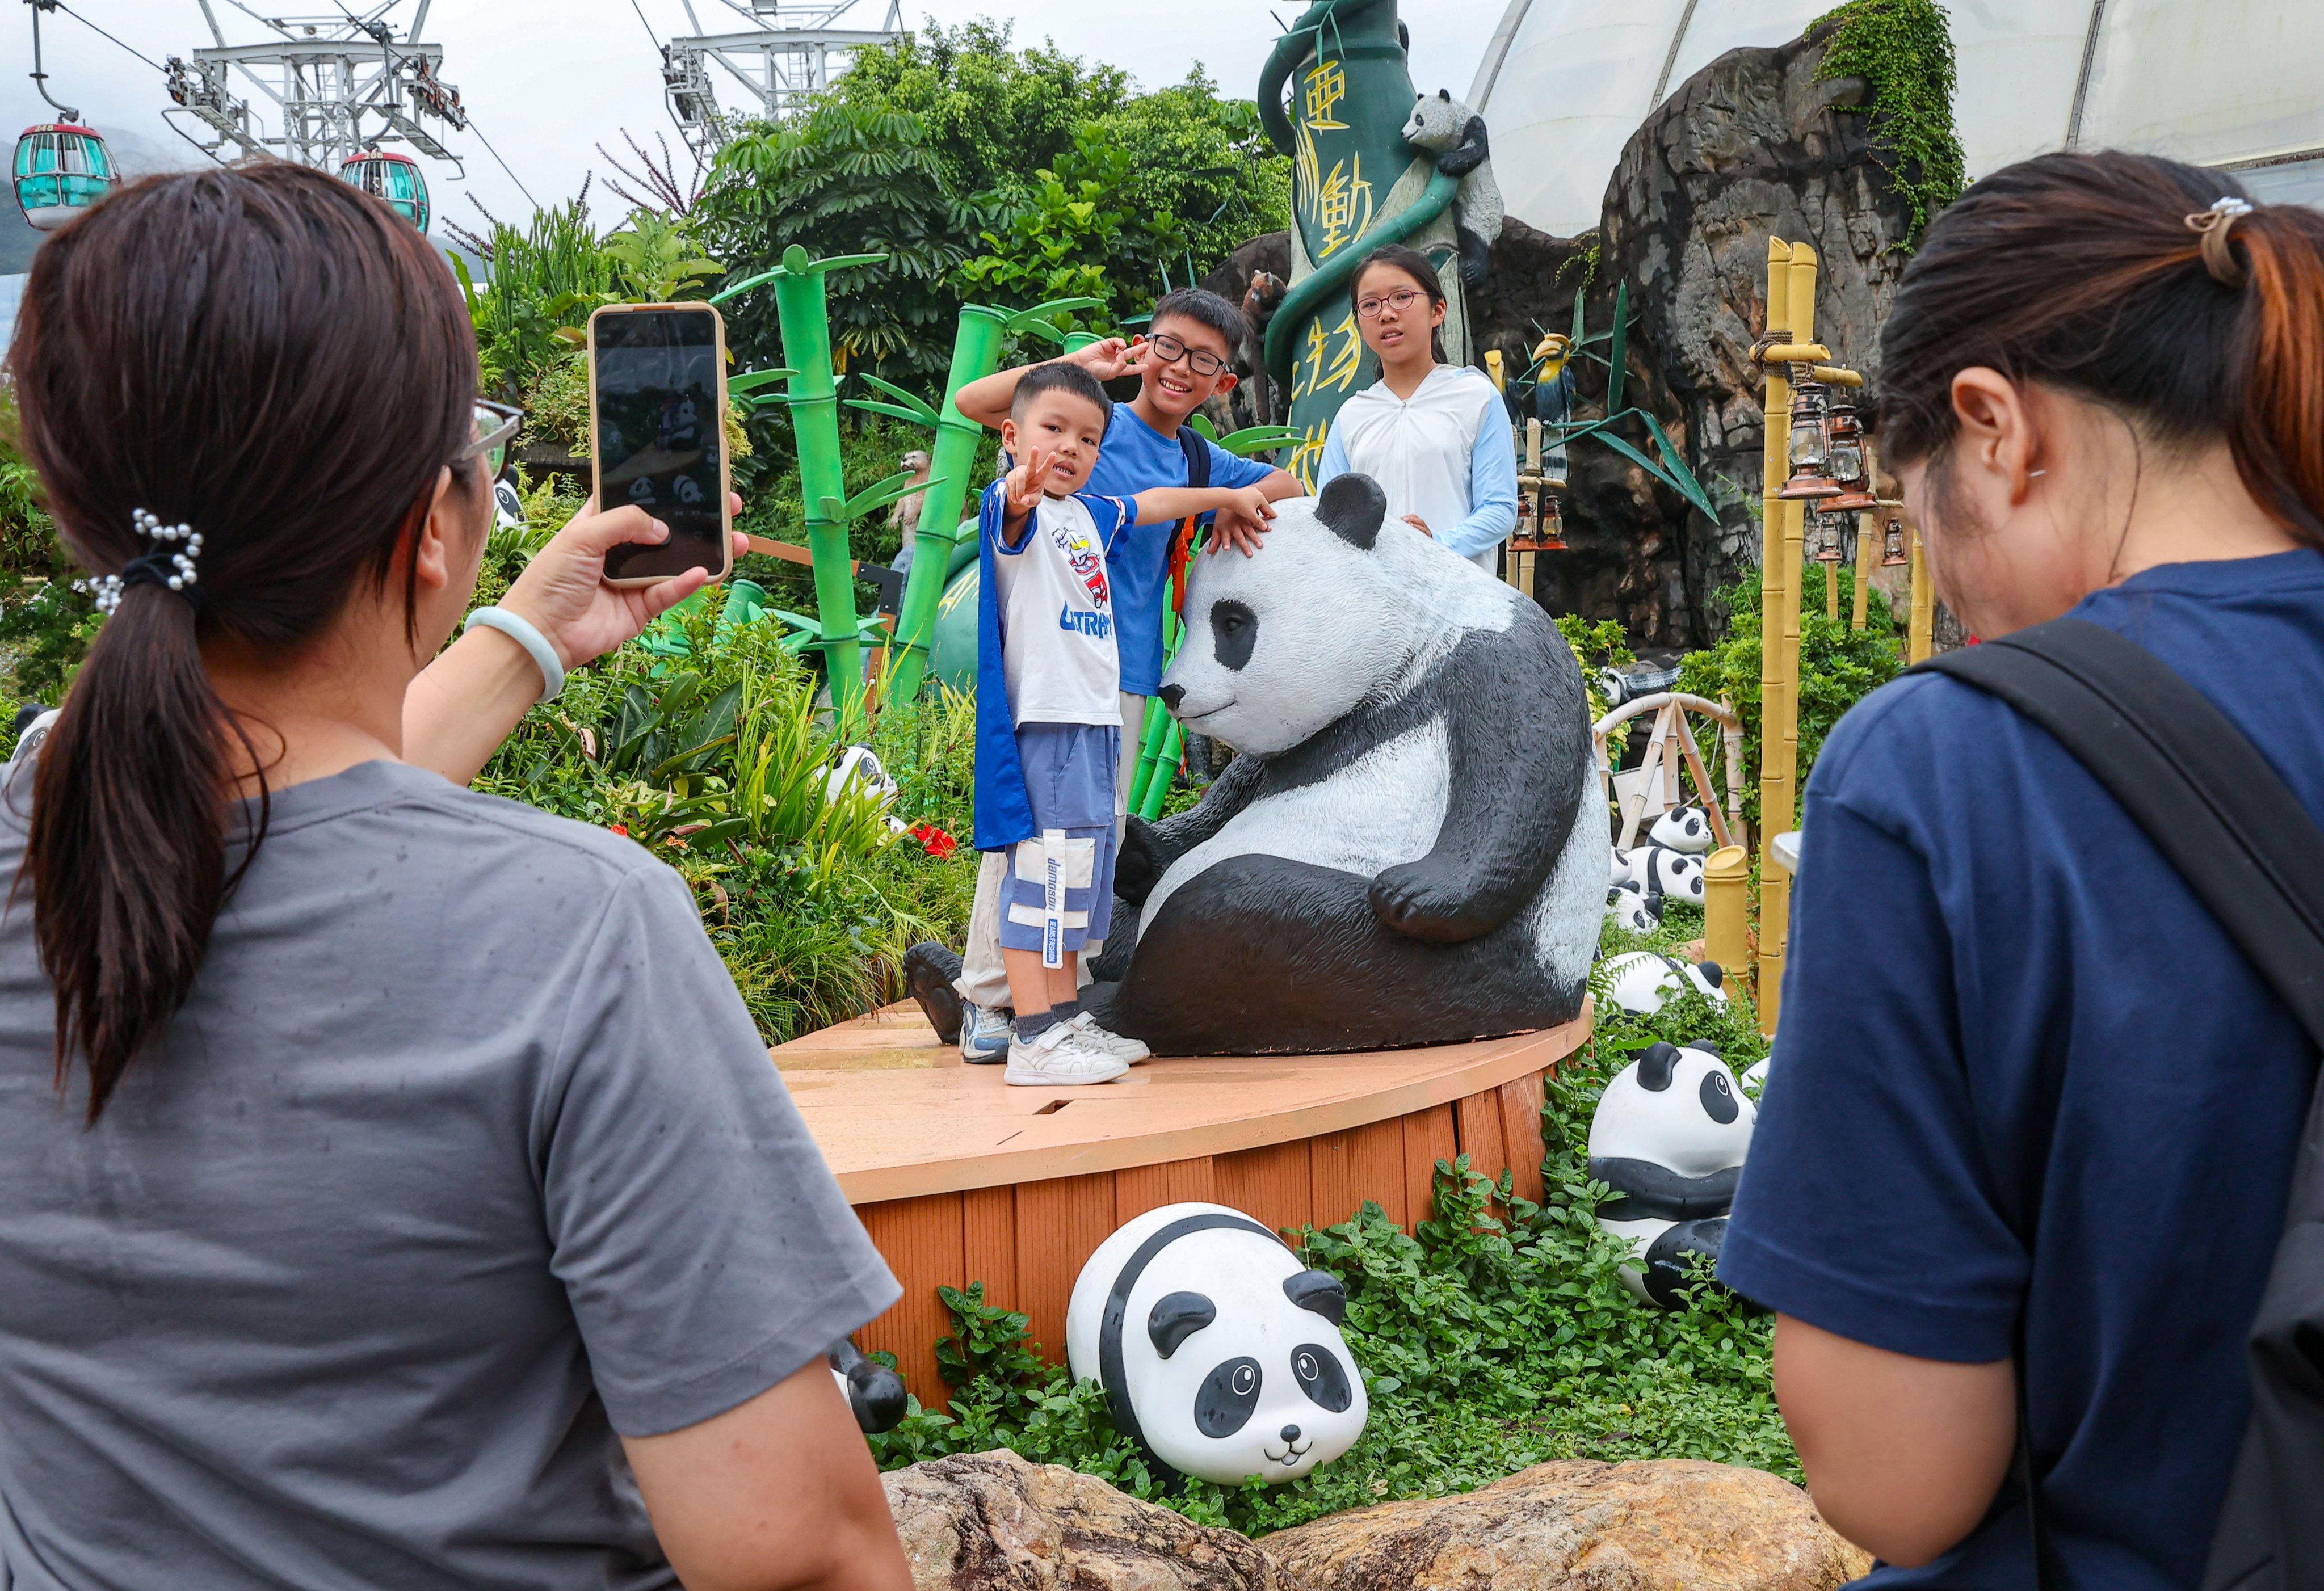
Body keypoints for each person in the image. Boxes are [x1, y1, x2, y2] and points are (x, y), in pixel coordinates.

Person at [0, 163, 912, 1591]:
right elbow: (794, 1551)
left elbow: (278, 815)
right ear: (436, 521)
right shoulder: (580, 935)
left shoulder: (40, 832)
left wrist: (528, 640)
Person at [1719, 151, 2324, 1586]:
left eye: (1918, 514)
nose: (1945, 583)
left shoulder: (1947, 768)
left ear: (1995, 427)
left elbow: (1899, 1478)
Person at [944, 289, 1304, 1062]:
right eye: (1168, 347)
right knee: (1025, 841)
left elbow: (1285, 486)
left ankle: (1055, 1009)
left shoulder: (1196, 457)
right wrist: (1077, 366)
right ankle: (988, 1001)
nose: (1179, 368)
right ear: (1142, 346)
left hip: (1122, 667)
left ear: (1222, 382)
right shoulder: (1085, 418)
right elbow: (978, 405)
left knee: (1084, 845)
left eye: (1204, 360)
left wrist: (1234, 500)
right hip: (1046, 671)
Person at [1314, 245, 1516, 574]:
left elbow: (1499, 509)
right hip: (1373, 605)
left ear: (1437, 311)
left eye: (1402, 297)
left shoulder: (1477, 397)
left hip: (1459, 599)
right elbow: (1329, 517)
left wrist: (1435, 543)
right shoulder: (1351, 416)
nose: (1387, 314)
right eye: (1370, 305)